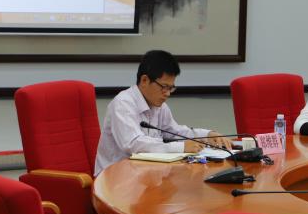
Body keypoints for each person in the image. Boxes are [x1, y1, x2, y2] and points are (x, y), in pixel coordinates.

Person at [94, 49, 232, 175]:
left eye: (171, 88)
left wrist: (207, 135)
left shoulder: (159, 106)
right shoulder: (123, 103)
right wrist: (181, 147)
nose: (167, 93)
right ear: (144, 80)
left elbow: (175, 132)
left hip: (144, 174)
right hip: (115, 178)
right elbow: (133, 144)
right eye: (164, 87)